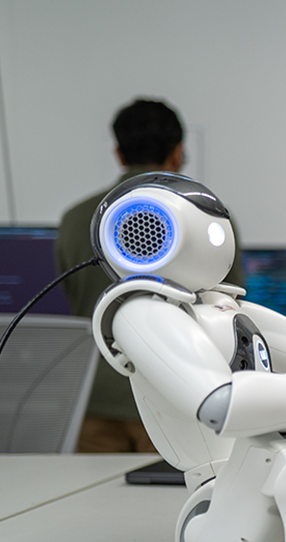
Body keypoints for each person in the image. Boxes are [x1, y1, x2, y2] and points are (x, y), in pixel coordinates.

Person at [55, 98, 245, 453]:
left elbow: (74, 292)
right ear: (178, 153)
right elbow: (227, 301)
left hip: (94, 395)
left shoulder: (76, 218)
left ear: (119, 154)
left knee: (94, 505)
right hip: (173, 391)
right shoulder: (209, 220)